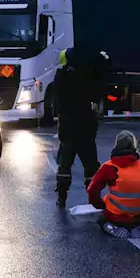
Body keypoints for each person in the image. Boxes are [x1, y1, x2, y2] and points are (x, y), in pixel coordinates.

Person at [87, 129, 140, 238]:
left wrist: (101, 205)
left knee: (101, 219)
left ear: (116, 145)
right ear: (134, 146)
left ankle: (112, 227)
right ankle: (138, 227)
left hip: (115, 216)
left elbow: (92, 190)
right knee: (137, 218)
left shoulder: (108, 167)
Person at [54, 47, 104, 207]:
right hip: (86, 130)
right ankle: (94, 198)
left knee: (64, 166)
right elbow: (97, 93)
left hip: (67, 131)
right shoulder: (87, 76)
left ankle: (62, 197)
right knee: (91, 166)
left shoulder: (61, 77)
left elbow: (57, 98)